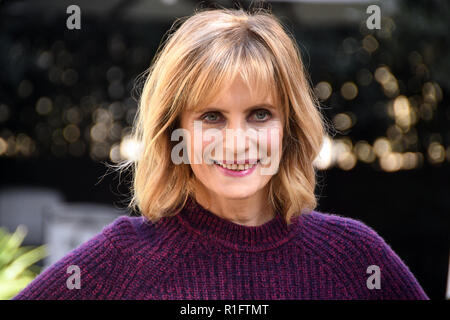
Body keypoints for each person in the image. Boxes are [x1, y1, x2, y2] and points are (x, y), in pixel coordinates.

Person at [13, 6, 428, 300]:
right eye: (211, 117)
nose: (237, 140)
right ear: (175, 131)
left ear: (290, 127)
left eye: (260, 114)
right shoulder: (123, 258)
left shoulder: (354, 256)